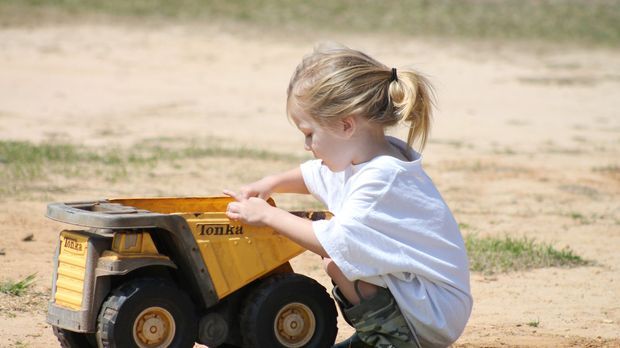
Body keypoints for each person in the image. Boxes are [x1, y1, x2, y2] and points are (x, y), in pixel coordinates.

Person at [224, 43, 472, 348]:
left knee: (337, 260)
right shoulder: (366, 157)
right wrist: (270, 183)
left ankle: (391, 341)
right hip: (424, 300)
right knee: (338, 261)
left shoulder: (381, 179)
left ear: (345, 125)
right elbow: (315, 175)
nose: (306, 145)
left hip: (433, 310)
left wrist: (268, 215)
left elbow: (335, 240)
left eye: (309, 134)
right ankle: (380, 335)